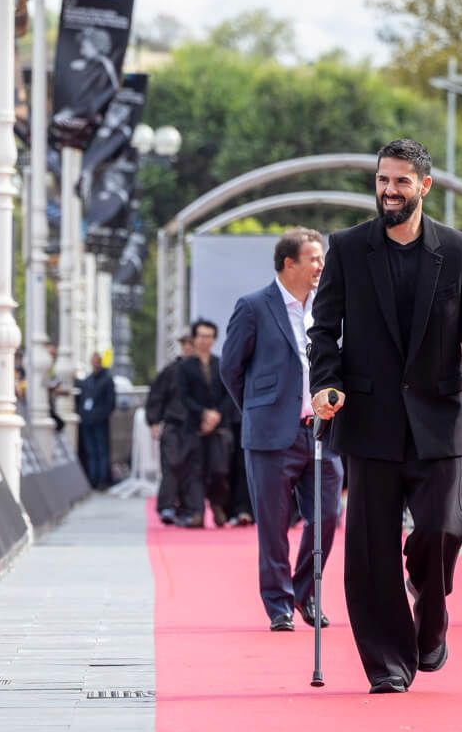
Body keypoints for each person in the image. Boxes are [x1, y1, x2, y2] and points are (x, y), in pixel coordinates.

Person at [308, 138, 462, 694]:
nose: (389, 190)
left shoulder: (459, 249)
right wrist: (325, 382)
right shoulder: (348, 248)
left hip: (438, 416)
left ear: (424, 186)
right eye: (382, 180)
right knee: (371, 551)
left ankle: (430, 610)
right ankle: (386, 663)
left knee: (442, 530)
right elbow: (323, 330)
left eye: (400, 181)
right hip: (369, 420)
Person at [221, 227, 343, 632]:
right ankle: (278, 605)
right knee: (273, 526)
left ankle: (305, 592)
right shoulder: (255, 306)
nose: (320, 266)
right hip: (272, 434)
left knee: (328, 515)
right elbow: (231, 368)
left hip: (321, 432)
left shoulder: (326, 309)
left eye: (322, 259)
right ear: (289, 263)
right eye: (313, 258)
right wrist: (259, 410)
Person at [176, 319, 236, 527]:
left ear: (214, 339)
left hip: (219, 427)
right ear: (194, 338)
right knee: (194, 471)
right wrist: (203, 414)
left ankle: (217, 505)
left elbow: (230, 393)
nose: (204, 340)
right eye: (201, 336)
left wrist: (216, 415)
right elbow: (184, 397)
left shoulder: (220, 364)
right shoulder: (184, 367)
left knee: (219, 469)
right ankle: (197, 512)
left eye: (208, 336)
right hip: (195, 427)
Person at [146, 334, 194, 524]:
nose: (188, 348)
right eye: (185, 344)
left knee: (192, 469)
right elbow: (157, 396)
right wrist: (154, 421)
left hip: (195, 427)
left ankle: (188, 508)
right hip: (174, 424)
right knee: (171, 464)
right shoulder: (170, 371)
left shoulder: (203, 369)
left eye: (191, 344)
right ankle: (166, 506)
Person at [76, 351, 116, 489]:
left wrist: (99, 415)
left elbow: (110, 403)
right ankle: (93, 480)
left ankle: (102, 480)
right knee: (91, 451)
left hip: (99, 422)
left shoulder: (106, 380)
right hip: (88, 421)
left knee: (101, 451)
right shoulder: (88, 380)